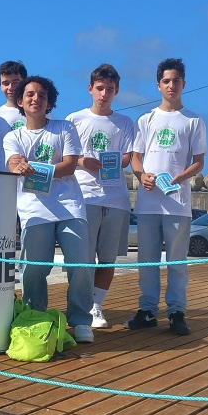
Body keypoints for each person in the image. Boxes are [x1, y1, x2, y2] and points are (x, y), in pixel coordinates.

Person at [3, 76, 94, 344]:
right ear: (20, 101)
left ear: (49, 101)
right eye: (29, 94)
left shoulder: (64, 128)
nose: (36, 99)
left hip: (69, 208)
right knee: (32, 269)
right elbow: (12, 163)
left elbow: (70, 164)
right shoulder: (13, 136)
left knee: (80, 265)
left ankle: (80, 320)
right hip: (33, 211)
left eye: (42, 95)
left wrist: (36, 168)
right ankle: (36, 316)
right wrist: (18, 165)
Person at [126, 58, 206, 336]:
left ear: (184, 84)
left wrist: (180, 178)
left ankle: (176, 311)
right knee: (147, 260)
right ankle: (147, 309)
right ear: (158, 84)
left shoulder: (193, 120)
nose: (171, 85)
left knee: (177, 261)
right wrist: (141, 176)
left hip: (178, 204)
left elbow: (199, 162)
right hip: (148, 204)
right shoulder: (145, 119)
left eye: (176, 81)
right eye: (166, 81)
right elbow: (136, 159)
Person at [66, 64, 136, 329]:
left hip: (116, 200)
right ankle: (79, 307)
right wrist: (83, 160)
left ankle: (96, 307)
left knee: (107, 259)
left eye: (109, 89)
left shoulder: (125, 123)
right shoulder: (74, 119)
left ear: (117, 91)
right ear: (90, 89)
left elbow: (129, 157)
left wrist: (113, 162)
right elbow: (67, 156)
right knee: (82, 259)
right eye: (99, 88)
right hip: (83, 198)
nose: (104, 94)